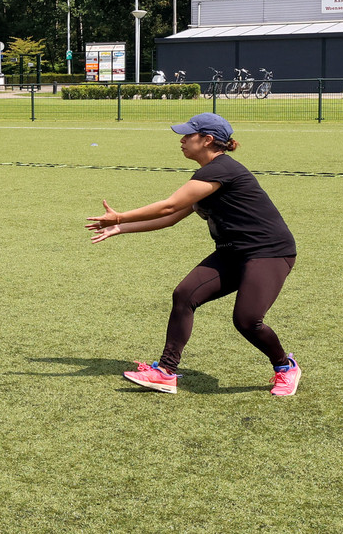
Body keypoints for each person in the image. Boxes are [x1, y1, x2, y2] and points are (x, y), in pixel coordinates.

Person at [86, 113, 301, 397]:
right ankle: (165, 372)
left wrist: (119, 217)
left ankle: (286, 367)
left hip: (269, 253)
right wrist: (122, 228)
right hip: (233, 252)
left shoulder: (221, 169)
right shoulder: (208, 174)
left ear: (208, 140)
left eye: (189, 135)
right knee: (185, 294)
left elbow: (168, 206)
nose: (182, 140)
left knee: (247, 320)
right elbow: (173, 216)